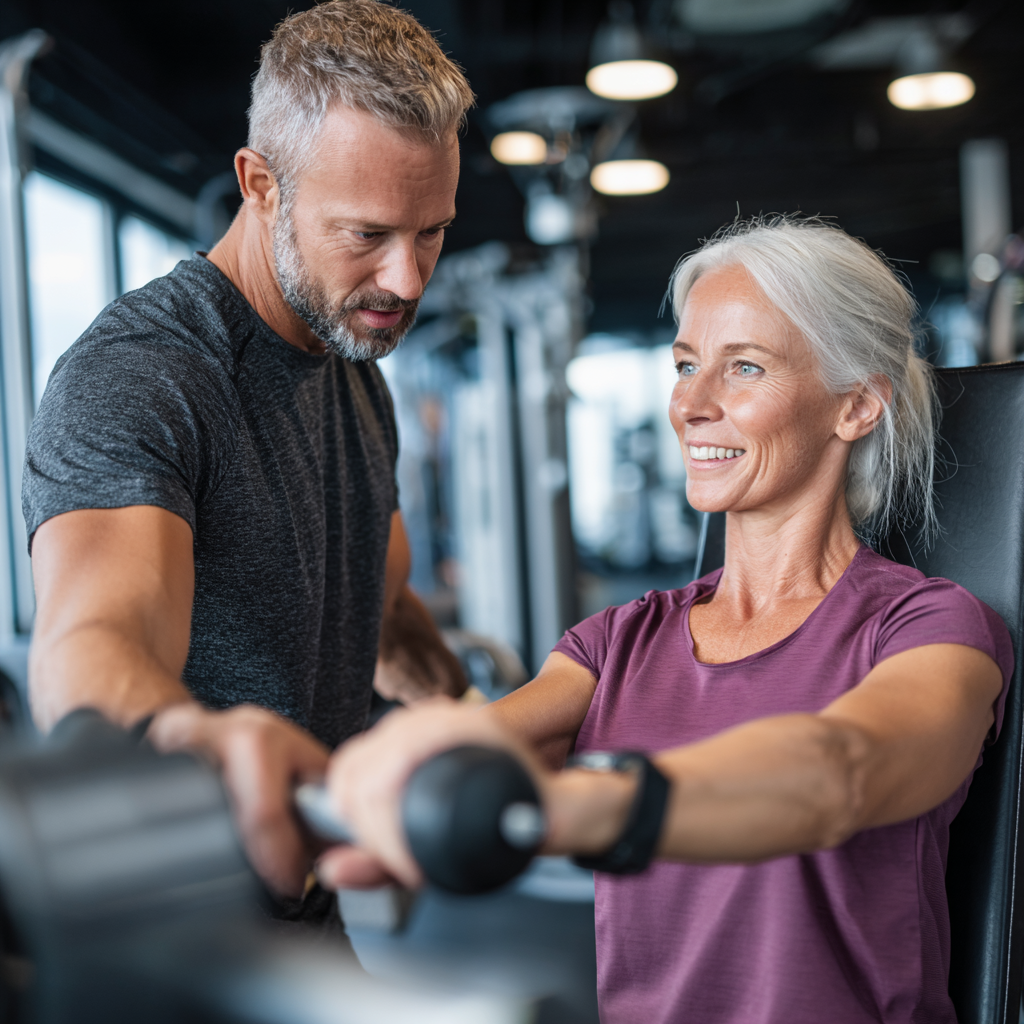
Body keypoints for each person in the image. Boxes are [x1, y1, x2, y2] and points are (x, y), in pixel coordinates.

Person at [316, 216, 1013, 1022]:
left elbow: (839, 773)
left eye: (743, 368)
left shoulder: (929, 628)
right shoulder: (616, 644)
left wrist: (594, 804)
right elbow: (491, 741)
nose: (691, 404)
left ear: (855, 407)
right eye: (685, 365)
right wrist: (393, 774)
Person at [22, 0, 474, 911]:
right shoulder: (147, 376)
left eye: (431, 231)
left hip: (306, 906)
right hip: (169, 923)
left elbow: (376, 610)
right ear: (261, 183)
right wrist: (196, 736)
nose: (408, 280)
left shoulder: (350, 364)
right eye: (368, 235)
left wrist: (481, 722)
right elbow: (90, 645)